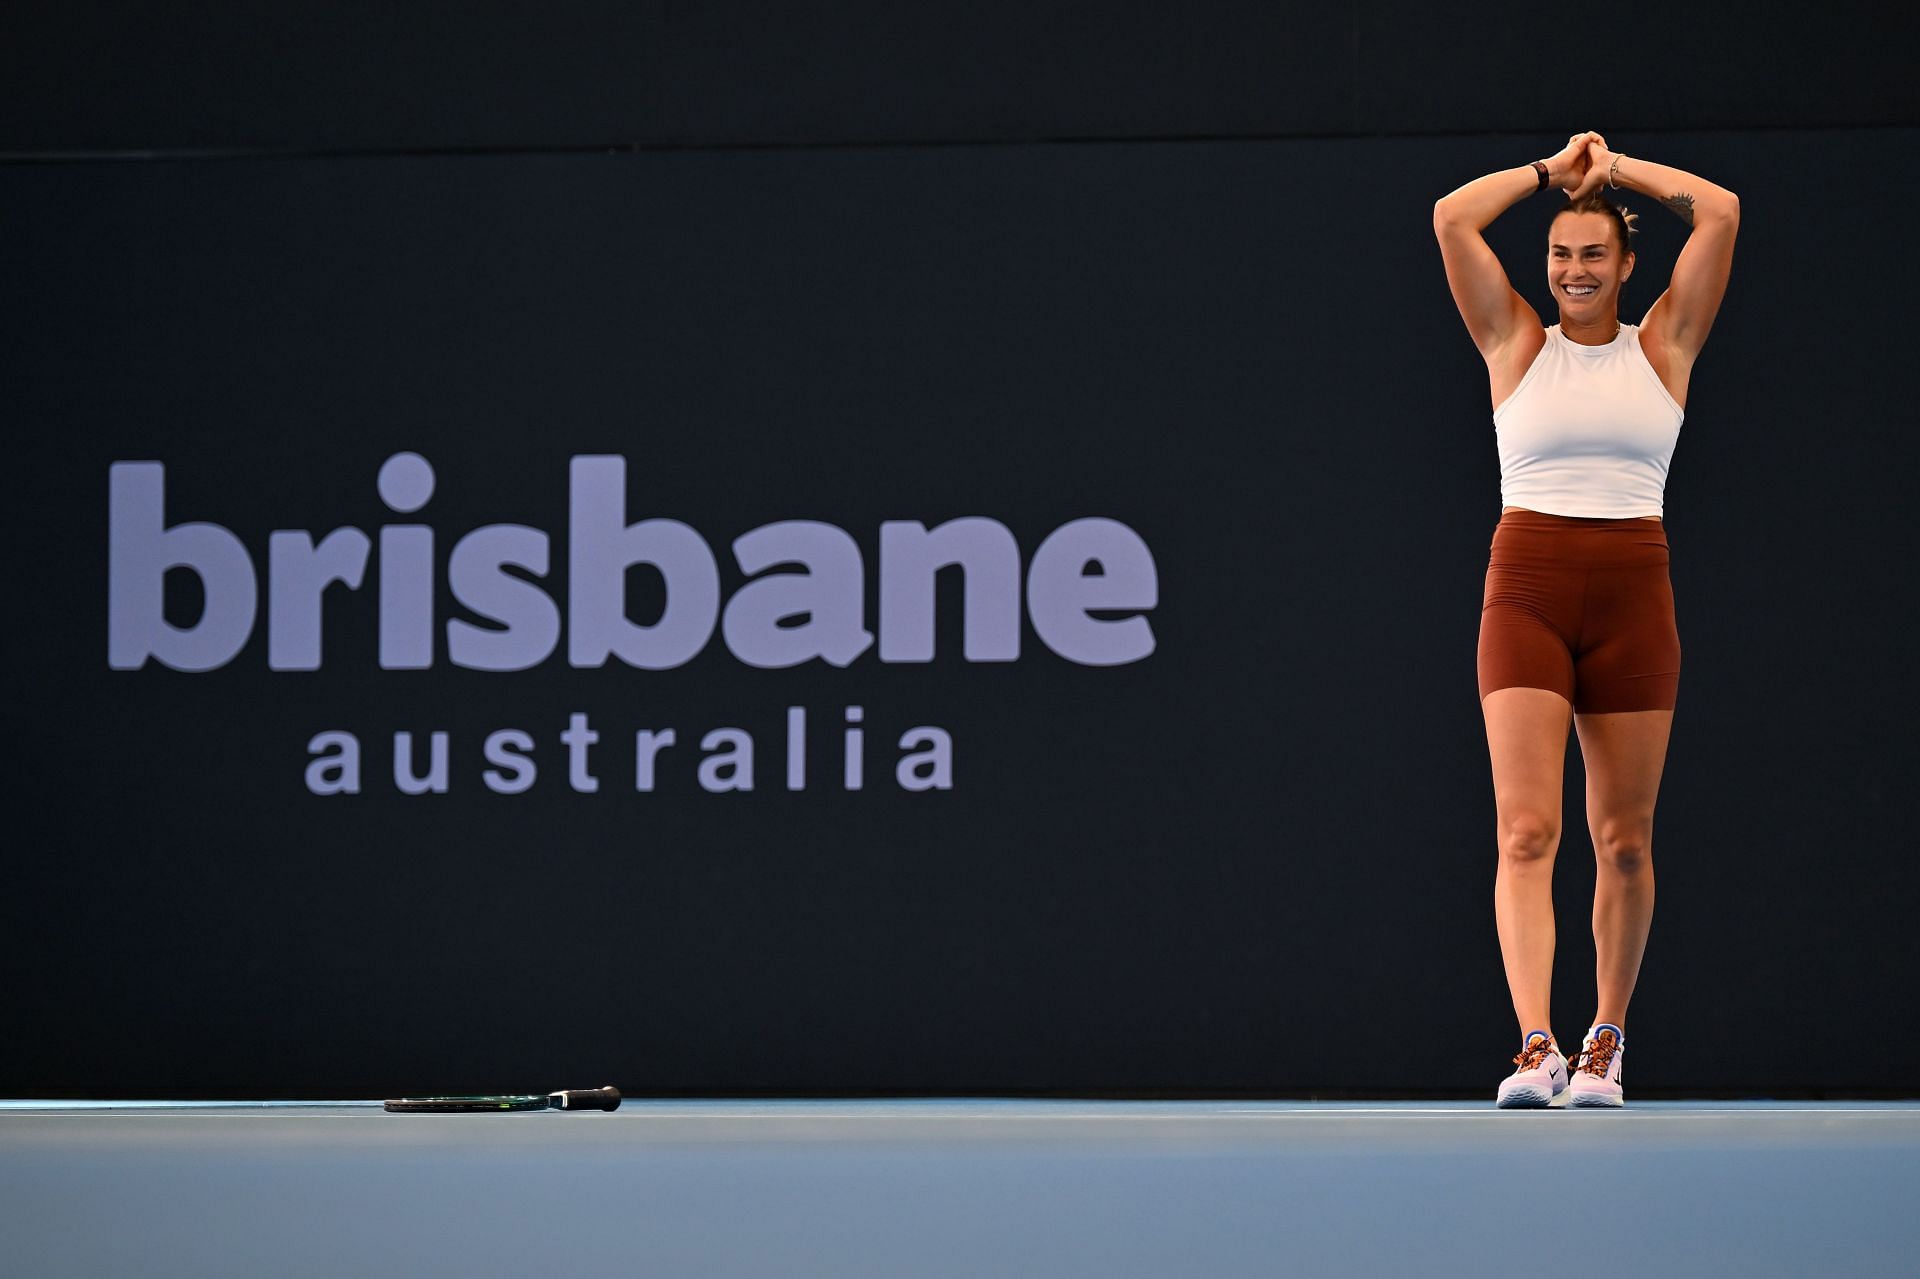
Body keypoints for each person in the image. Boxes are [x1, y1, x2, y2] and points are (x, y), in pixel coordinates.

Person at [1432, 132, 1739, 1107]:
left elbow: (1722, 211)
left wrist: (1616, 174)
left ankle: (1604, 1042)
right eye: (1561, 253)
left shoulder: (1666, 345)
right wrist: (1547, 176)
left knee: (1625, 839)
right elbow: (1450, 217)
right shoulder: (1513, 342)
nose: (1574, 270)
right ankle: (1536, 1045)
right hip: (1525, 589)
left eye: (1594, 253)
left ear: (1627, 265)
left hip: (1632, 596)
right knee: (1525, 831)